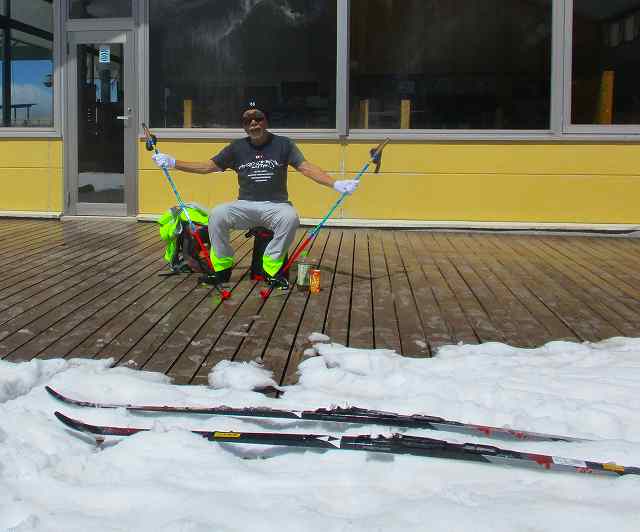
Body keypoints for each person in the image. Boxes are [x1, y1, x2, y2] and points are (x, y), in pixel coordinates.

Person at [152, 102, 360, 289]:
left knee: (290, 217)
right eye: (247, 121)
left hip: (276, 205)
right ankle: (222, 269)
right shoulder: (236, 148)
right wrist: (173, 162)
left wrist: (336, 184)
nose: (253, 123)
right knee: (217, 214)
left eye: (258, 118)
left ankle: (271, 270)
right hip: (245, 205)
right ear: (244, 126)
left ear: (266, 121)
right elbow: (207, 166)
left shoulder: (284, 144)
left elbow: (306, 168)